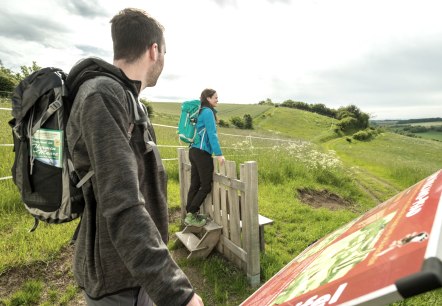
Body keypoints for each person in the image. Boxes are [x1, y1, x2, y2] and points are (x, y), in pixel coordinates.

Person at [65, 8, 203, 306]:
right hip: (117, 281)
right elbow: (122, 202)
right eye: (164, 51)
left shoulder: (126, 98)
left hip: (137, 272)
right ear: (154, 50)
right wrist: (178, 294)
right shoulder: (103, 96)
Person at [185, 89, 225, 227]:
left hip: (193, 151)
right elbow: (212, 134)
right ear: (208, 98)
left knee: (195, 184)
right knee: (206, 186)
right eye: (215, 97)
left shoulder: (201, 111)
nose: (217, 100)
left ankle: (189, 215)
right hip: (202, 153)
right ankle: (191, 213)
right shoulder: (208, 112)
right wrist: (219, 154)